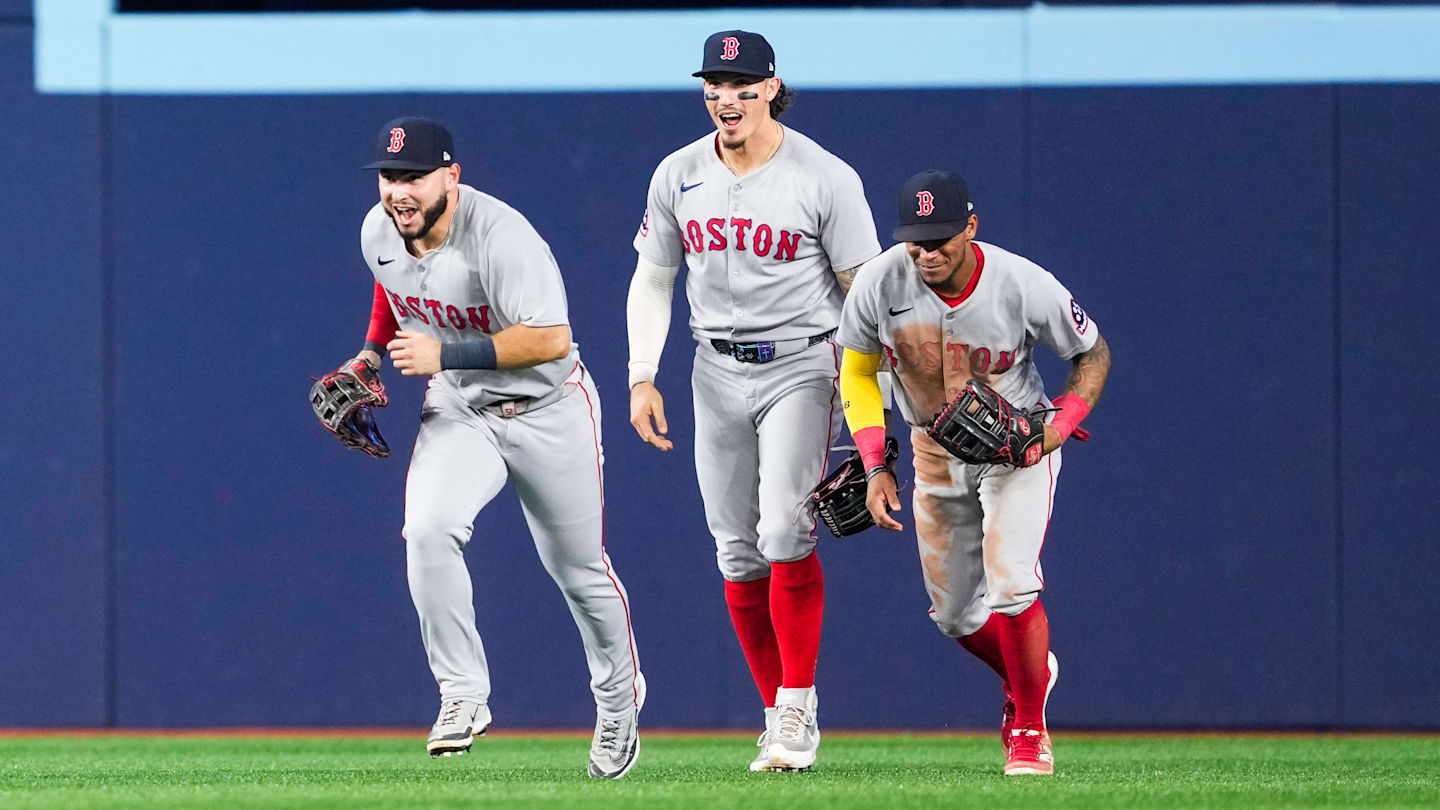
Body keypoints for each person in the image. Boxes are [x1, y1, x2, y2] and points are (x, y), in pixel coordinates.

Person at [342, 116, 644, 778]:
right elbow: (393, 287)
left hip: (550, 407)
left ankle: (619, 700)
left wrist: (444, 350)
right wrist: (369, 353)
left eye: (413, 177)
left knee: (579, 570)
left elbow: (550, 340)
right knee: (426, 529)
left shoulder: (503, 238)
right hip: (460, 407)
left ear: (451, 176)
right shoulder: (379, 229)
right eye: (389, 178)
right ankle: (462, 694)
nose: (398, 192)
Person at [626, 31, 881, 772]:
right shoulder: (677, 173)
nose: (726, 98)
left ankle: (798, 708)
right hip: (714, 370)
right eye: (715, 84)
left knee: (782, 533)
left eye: (741, 84)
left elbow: (863, 293)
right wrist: (643, 372)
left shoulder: (825, 177)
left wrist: (876, 404)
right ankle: (777, 713)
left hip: (803, 364)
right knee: (736, 551)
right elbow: (653, 277)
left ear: (772, 87)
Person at [836, 170, 1111, 776]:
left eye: (941, 239)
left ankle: (1030, 727)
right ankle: (1029, 672)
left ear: (971, 226)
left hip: (1017, 452)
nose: (927, 252)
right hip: (934, 451)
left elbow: (1092, 353)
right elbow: (856, 372)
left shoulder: (1020, 282)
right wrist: (876, 461)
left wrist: (1060, 425)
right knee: (956, 617)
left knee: (1011, 584)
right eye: (916, 240)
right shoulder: (880, 283)